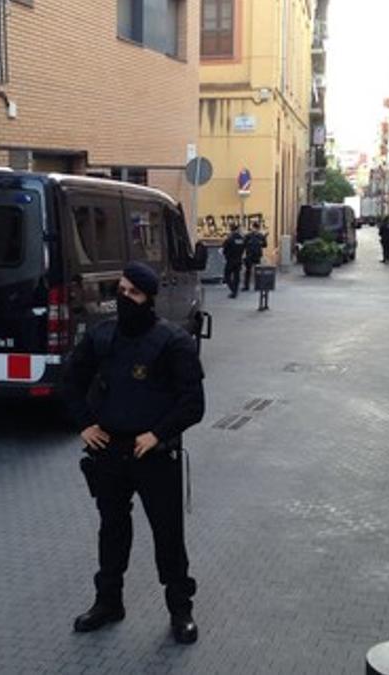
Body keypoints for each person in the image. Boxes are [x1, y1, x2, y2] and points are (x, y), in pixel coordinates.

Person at [64, 262, 206, 645]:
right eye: (121, 290)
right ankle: (108, 602)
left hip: (154, 455)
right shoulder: (102, 335)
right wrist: (84, 423)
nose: (125, 298)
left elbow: (193, 402)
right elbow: (72, 379)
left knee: (168, 535)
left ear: (149, 299)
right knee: (112, 530)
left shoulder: (173, 341)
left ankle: (181, 610)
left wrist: (157, 434)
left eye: (134, 293)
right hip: (109, 450)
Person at [221, 223, 245, 298]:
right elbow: (243, 248)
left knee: (227, 275)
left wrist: (226, 255)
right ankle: (235, 290)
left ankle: (233, 290)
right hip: (238, 259)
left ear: (231, 230)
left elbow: (224, 250)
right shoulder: (241, 239)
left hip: (230, 260)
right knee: (236, 276)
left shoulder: (229, 239)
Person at [241, 223, 267, 292]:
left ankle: (257, 285)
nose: (254, 229)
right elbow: (243, 245)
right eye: (253, 228)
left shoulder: (261, 236)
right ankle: (246, 286)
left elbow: (265, 245)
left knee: (257, 271)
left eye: (255, 228)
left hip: (257, 255)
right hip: (249, 255)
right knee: (248, 271)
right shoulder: (248, 236)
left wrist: (262, 241)